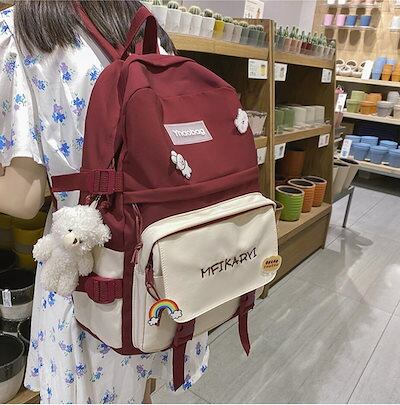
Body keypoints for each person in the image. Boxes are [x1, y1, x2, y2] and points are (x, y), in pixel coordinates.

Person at [0, 2, 209, 403]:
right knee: (141, 371)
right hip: (163, 256)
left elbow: (24, 197)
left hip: (89, 270)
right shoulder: (142, 22)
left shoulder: (22, 28)